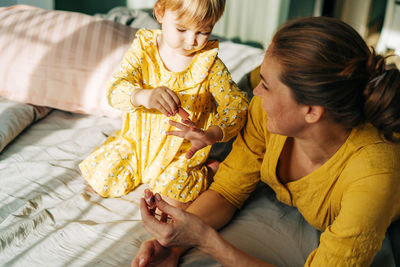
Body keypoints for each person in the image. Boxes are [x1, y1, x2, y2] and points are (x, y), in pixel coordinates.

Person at [133, 16, 400, 266]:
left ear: (311, 111)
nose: (257, 94)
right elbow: (228, 191)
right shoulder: (265, 113)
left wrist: (206, 240)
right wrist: (172, 245)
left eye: (267, 85)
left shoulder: (373, 174)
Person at [79, 0, 248, 209]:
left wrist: (212, 134)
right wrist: (143, 96)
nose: (191, 40)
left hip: (180, 154)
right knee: (99, 180)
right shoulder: (144, 48)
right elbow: (115, 88)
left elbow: (237, 104)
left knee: (173, 204)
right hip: (137, 144)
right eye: (182, 29)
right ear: (160, 13)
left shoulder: (209, 64)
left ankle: (209, 170)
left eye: (203, 32)